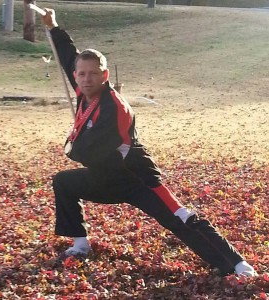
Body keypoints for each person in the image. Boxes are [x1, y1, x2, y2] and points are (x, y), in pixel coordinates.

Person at [41, 9, 256, 277]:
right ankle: (80, 244)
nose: (86, 79)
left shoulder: (115, 107)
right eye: (81, 74)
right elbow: (68, 55)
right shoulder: (82, 89)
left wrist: (72, 146)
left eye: (93, 74)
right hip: (105, 178)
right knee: (63, 182)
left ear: (105, 76)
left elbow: (91, 151)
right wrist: (53, 27)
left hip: (136, 178)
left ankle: (234, 263)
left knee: (180, 218)